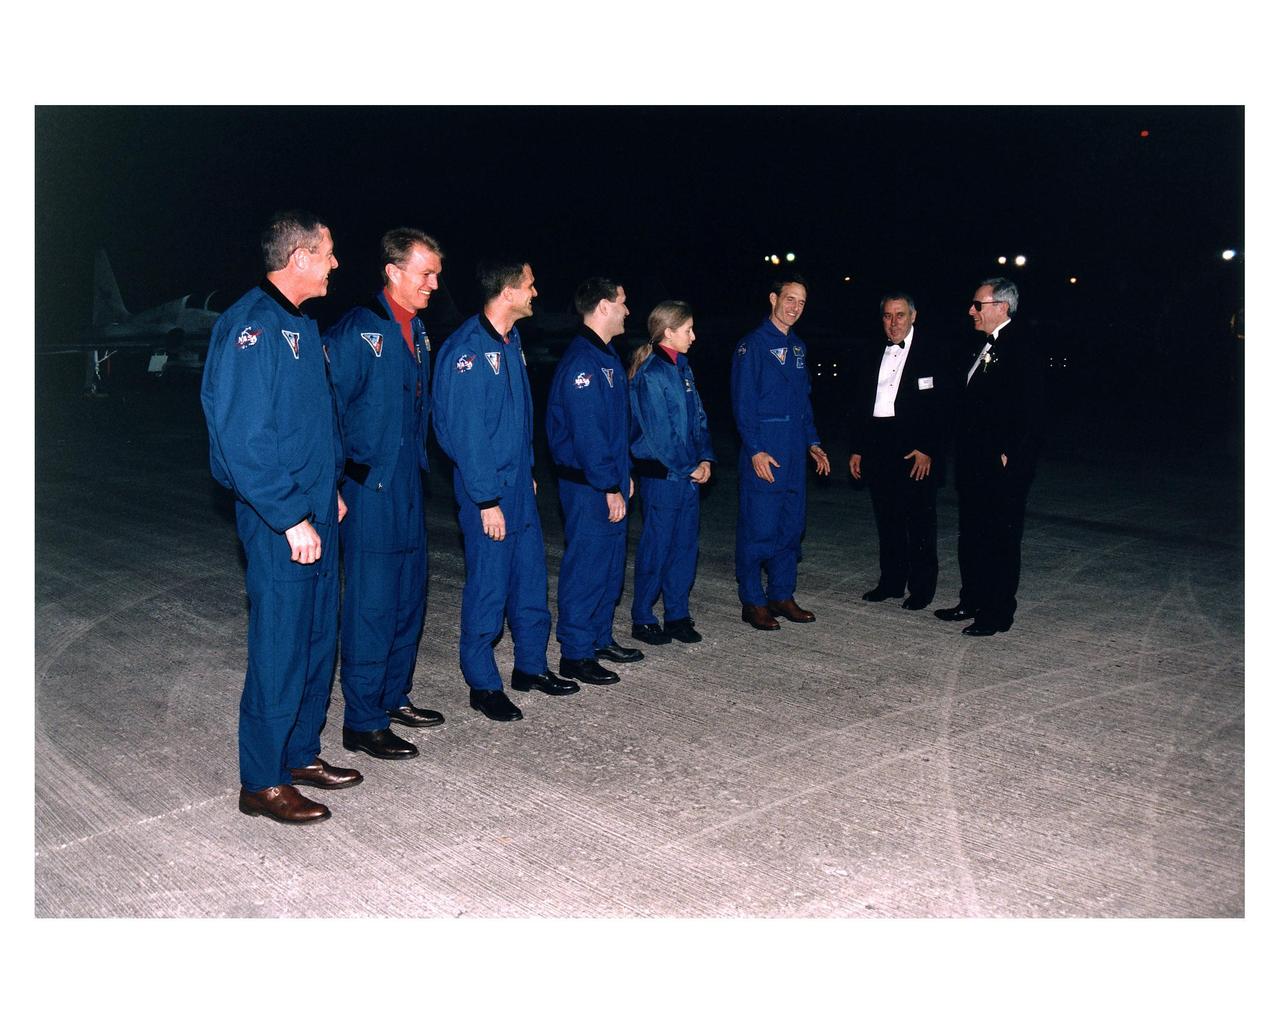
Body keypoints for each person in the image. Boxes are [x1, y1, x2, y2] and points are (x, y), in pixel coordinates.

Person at [201, 210, 359, 825]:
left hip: (314, 505)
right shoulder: (252, 327)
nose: (335, 264)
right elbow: (243, 440)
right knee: (281, 645)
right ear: (298, 257)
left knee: (319, 637)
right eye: (327, 253)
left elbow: (310, 424)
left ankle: (298, 754)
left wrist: (330, 489)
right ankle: (261, 781)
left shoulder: (299, 322)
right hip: (279, 519)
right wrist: (292, 515)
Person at [432, 260, 578, 721]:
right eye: (530, 285)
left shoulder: (511, 341)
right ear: (510, 292)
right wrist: (486, 499)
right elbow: (464, 432)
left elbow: (515, 420)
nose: (535, 292)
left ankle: (531, 667)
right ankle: (483, 683)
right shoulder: (467, 351)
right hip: (488, 493)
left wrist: (528, 469)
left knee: (531, 579)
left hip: (517, 485)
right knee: (489, 588)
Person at [325, 228, 445, 764]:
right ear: (394, 272)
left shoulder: (417, 332)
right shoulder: (359, 330)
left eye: (436, 273)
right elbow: (325, 409)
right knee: (372, 606)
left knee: (407, 598)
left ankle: (394, 696)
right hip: (369, 487)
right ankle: (363, 721)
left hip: (407, 484)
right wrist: (333, 480)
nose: (434, 284)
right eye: (425, 273)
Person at [935, 277, 1046, 636]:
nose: (971, 310)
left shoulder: (1022, 347)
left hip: (1001, 466)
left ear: (1001, 307)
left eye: (977, 304)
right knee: (973, 535)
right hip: (973, 462)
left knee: (1000, 538)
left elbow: (1031, 411)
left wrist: (1009, 456)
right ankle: (972, 599)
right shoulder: (981, 345)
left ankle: (998, 612)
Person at [546, 277, 641, 686]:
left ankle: (599, 637)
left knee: (609, 564)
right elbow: (587, 434)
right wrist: (607, 484)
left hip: (606, 477)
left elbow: (615, 428)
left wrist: (624, 474)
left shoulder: (606, 356)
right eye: (622, 302)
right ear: (603, 306)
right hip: (588, 484)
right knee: (586, 566)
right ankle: (576, 652)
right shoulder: (584, 361)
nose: (627, 310)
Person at [731, 274, 831, 630]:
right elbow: (743, 404)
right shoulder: (752, 346)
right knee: (759, 528)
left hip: (793, 455)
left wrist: (813, 443)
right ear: (773, 298)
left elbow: (803, 403)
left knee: (790, 526)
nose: (795, 307)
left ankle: (781, 594)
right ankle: (753, 600)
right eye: (789, 299)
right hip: (766, 453)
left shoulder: (799, 348)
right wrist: (755, 450)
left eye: (801, 302)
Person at [848, 292, 947, 610]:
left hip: (914, 447)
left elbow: (943, 407)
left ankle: (922, 588)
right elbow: (860, 403)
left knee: (918, 520)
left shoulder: (933, 352)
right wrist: (857, 448)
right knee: (887, 518)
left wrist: (927, 448)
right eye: (888, 316)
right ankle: (890, 582)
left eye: (900, 315)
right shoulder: (871, 350)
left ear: (914, 316)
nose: (893, 323)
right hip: (878, 442)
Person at [627, 301, 715, 644]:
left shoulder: (683, 369)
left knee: (684, 548)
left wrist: (705, 458)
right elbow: (659, 434)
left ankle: (677, 614)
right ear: (668, 333)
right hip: (663, 476)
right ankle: (643, 615)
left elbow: (700, 418)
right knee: (657, 547)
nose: (693, 336)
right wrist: (689, 465)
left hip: (687, 475)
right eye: (688, 330)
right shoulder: (651, 374)